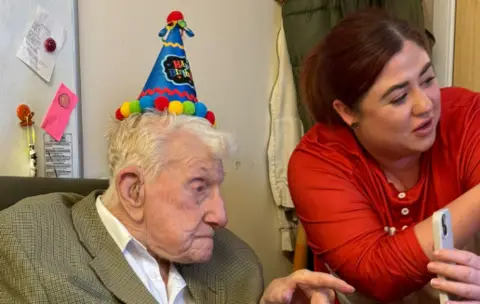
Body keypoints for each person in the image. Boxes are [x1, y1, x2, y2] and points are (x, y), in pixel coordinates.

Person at [0, 111, 355, 304]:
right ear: (133, 189)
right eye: (199, 188)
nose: (221, 215)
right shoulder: (28, 241)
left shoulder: (237, 263)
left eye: (219, 187)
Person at [288, 8, 480, 304]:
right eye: (399, 97)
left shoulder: (466, 116)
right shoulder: (318, 161)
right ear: (347, 111)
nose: (424, 105)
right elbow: (377, 274)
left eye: (428, 79)